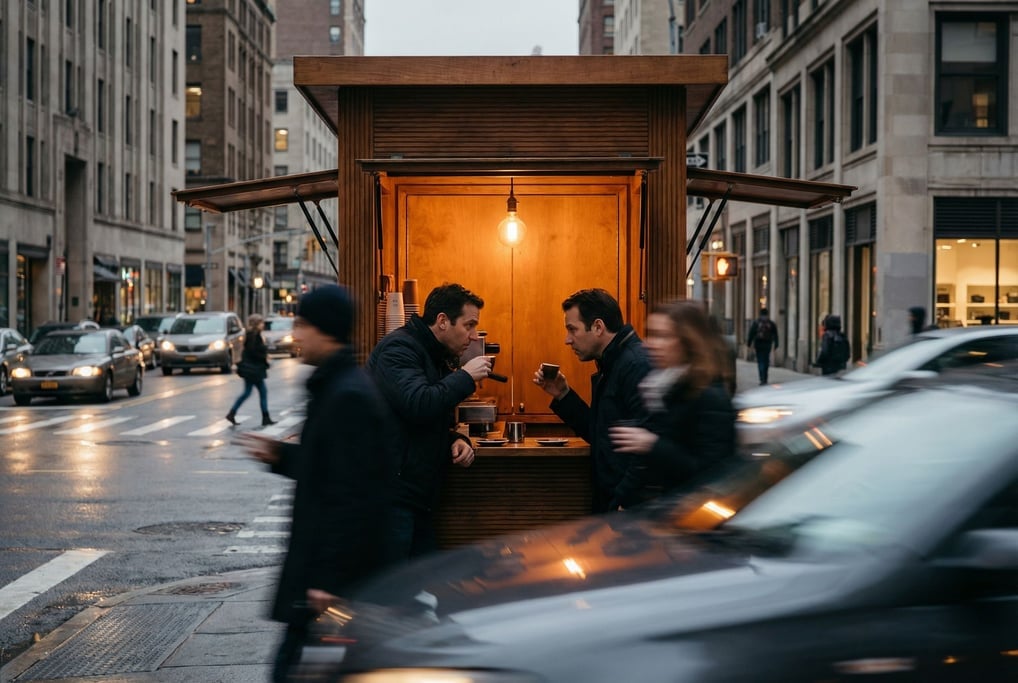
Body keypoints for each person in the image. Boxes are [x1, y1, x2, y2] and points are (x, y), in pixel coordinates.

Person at [233, 285, 397, 682]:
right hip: (326, 583)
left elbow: (351, 497)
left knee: (297, 673)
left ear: (325, 329)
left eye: (302, 324)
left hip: (330, 588)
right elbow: (331, 469)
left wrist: (329, 582)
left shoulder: (347, 395)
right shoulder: (335, 387)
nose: (295, 333)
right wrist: (281, 456)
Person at [366, 282, 494, 562]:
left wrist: (454, 439)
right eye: (469, 325)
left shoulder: (433, 355)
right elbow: (419, 404)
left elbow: (417, 422)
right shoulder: (398, 349)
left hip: (414, 497)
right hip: (391, 498)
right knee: (394, 592)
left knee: (420, 590)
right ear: (442, 321)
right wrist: (465, 377)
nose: (473, 336)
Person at [533, 288, 652, 513]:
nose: (567, 340)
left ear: (598, 327)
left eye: (572, 329)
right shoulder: (611, 364)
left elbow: (648, 445)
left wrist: (626, 500)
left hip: (629, 510)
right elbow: (601, 434)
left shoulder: (636, 365)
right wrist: (563, 394)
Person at [608, 300, 737, 506]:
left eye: (662, 336)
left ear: (688, 341)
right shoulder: (661, 388)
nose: (649, 343)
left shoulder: (708, 396)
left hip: (693, 518)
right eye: (650, 334)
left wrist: (652, 444)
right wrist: (620, 500)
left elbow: (712, 473)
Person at [226, 314, 275, 426]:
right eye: (261, 323)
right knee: (262, 392)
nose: (263, 325)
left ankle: (232, 413)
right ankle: (265, 417)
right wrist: (264, 354)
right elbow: (254, 351)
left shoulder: (250, 335)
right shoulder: (254, 335)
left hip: (250, 369)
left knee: (247, 393)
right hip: (254, 369)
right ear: (257, 324)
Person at [746, 307, 779, 385]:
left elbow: (751, 333)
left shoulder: (756, 323)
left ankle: (762, 378)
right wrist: (776, 344)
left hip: (758, 344)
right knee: (766, 360)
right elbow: (775, 334)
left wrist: (749, 343)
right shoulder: (771, 323)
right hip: (767, 344)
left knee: (760, 361)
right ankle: (765, 377)